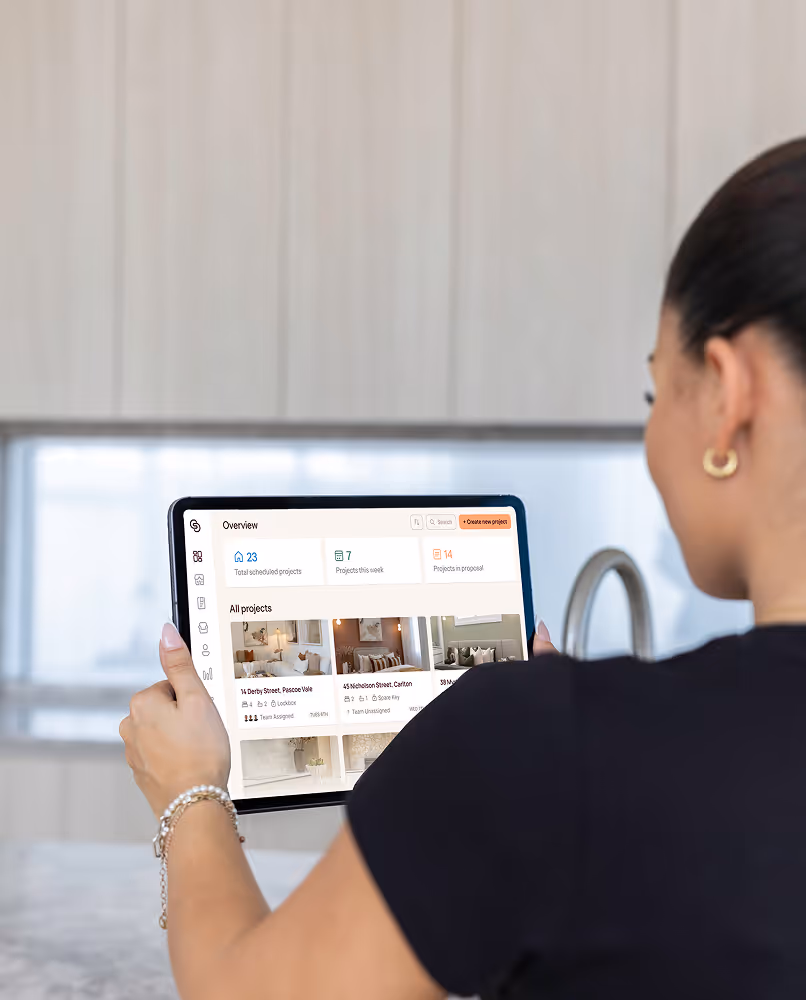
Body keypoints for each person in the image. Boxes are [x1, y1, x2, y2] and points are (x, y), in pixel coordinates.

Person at [120, 138, 806, 999]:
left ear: (727, 391)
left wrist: (190, 792)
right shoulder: (550, 750)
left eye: (653, 391)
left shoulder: (535, 745)